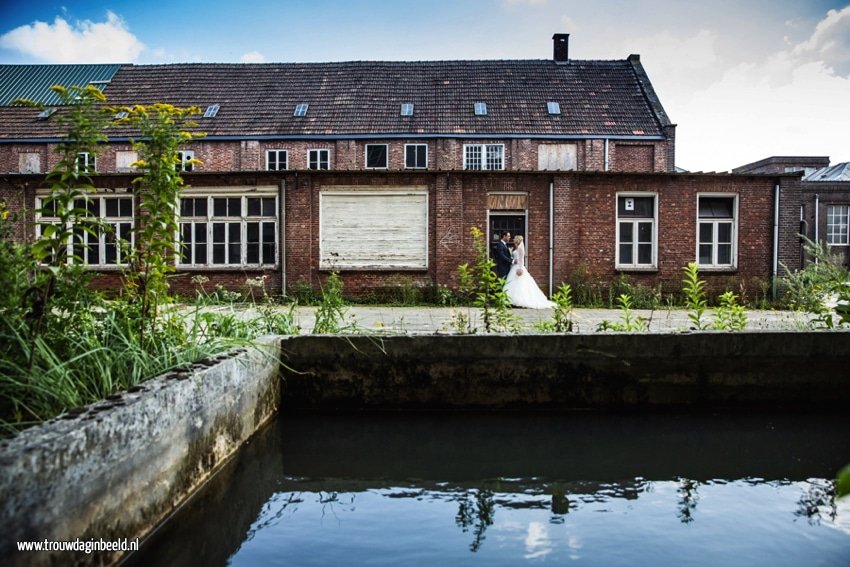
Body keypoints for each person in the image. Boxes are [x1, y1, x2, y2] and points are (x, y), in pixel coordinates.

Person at [504, 236, 555, 309]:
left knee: (520, 284)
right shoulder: (516, 247)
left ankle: (519, 301)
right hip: (513, 267)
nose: (513, 239)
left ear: (518, 240)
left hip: (518, 267)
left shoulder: (520, 248)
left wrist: (520, 268)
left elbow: (521, 259)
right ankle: (511, 301)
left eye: (515, 239)